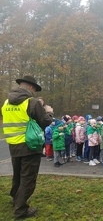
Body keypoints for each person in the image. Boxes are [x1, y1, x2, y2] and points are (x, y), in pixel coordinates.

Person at [1, 75, 53, 219]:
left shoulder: (6, 103)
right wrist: (48, 111)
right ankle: (21, 210)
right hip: (30, 145)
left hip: (13, 144)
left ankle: (15, 199)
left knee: (17, 175)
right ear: (30, 87)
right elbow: (45, 121)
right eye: (34, 89)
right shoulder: (32, 102)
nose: (34, 92)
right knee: (28, 178)